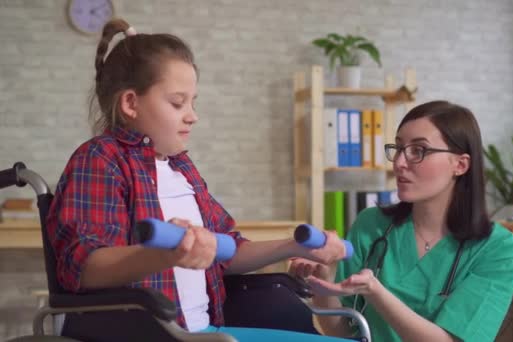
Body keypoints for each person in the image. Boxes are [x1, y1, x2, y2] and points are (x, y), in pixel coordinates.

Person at [46, 18, 350, 341]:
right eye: (178, 103)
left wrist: (294, 245)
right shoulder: (101, 159)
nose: (192, 115)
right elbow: (85, 265)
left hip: (207, 331)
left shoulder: (181, 167)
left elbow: (226, 248)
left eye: (193, 102)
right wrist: (167, 254)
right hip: (154, 335)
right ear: (131, 103)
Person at [290, 101, 513, 341]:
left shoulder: (498, 249)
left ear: (460, 165)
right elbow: (342, 332)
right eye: (399, 148)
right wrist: (324, 279)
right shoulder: (371, 225)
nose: (400, 162)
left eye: (418, 150)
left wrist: (375, 291)